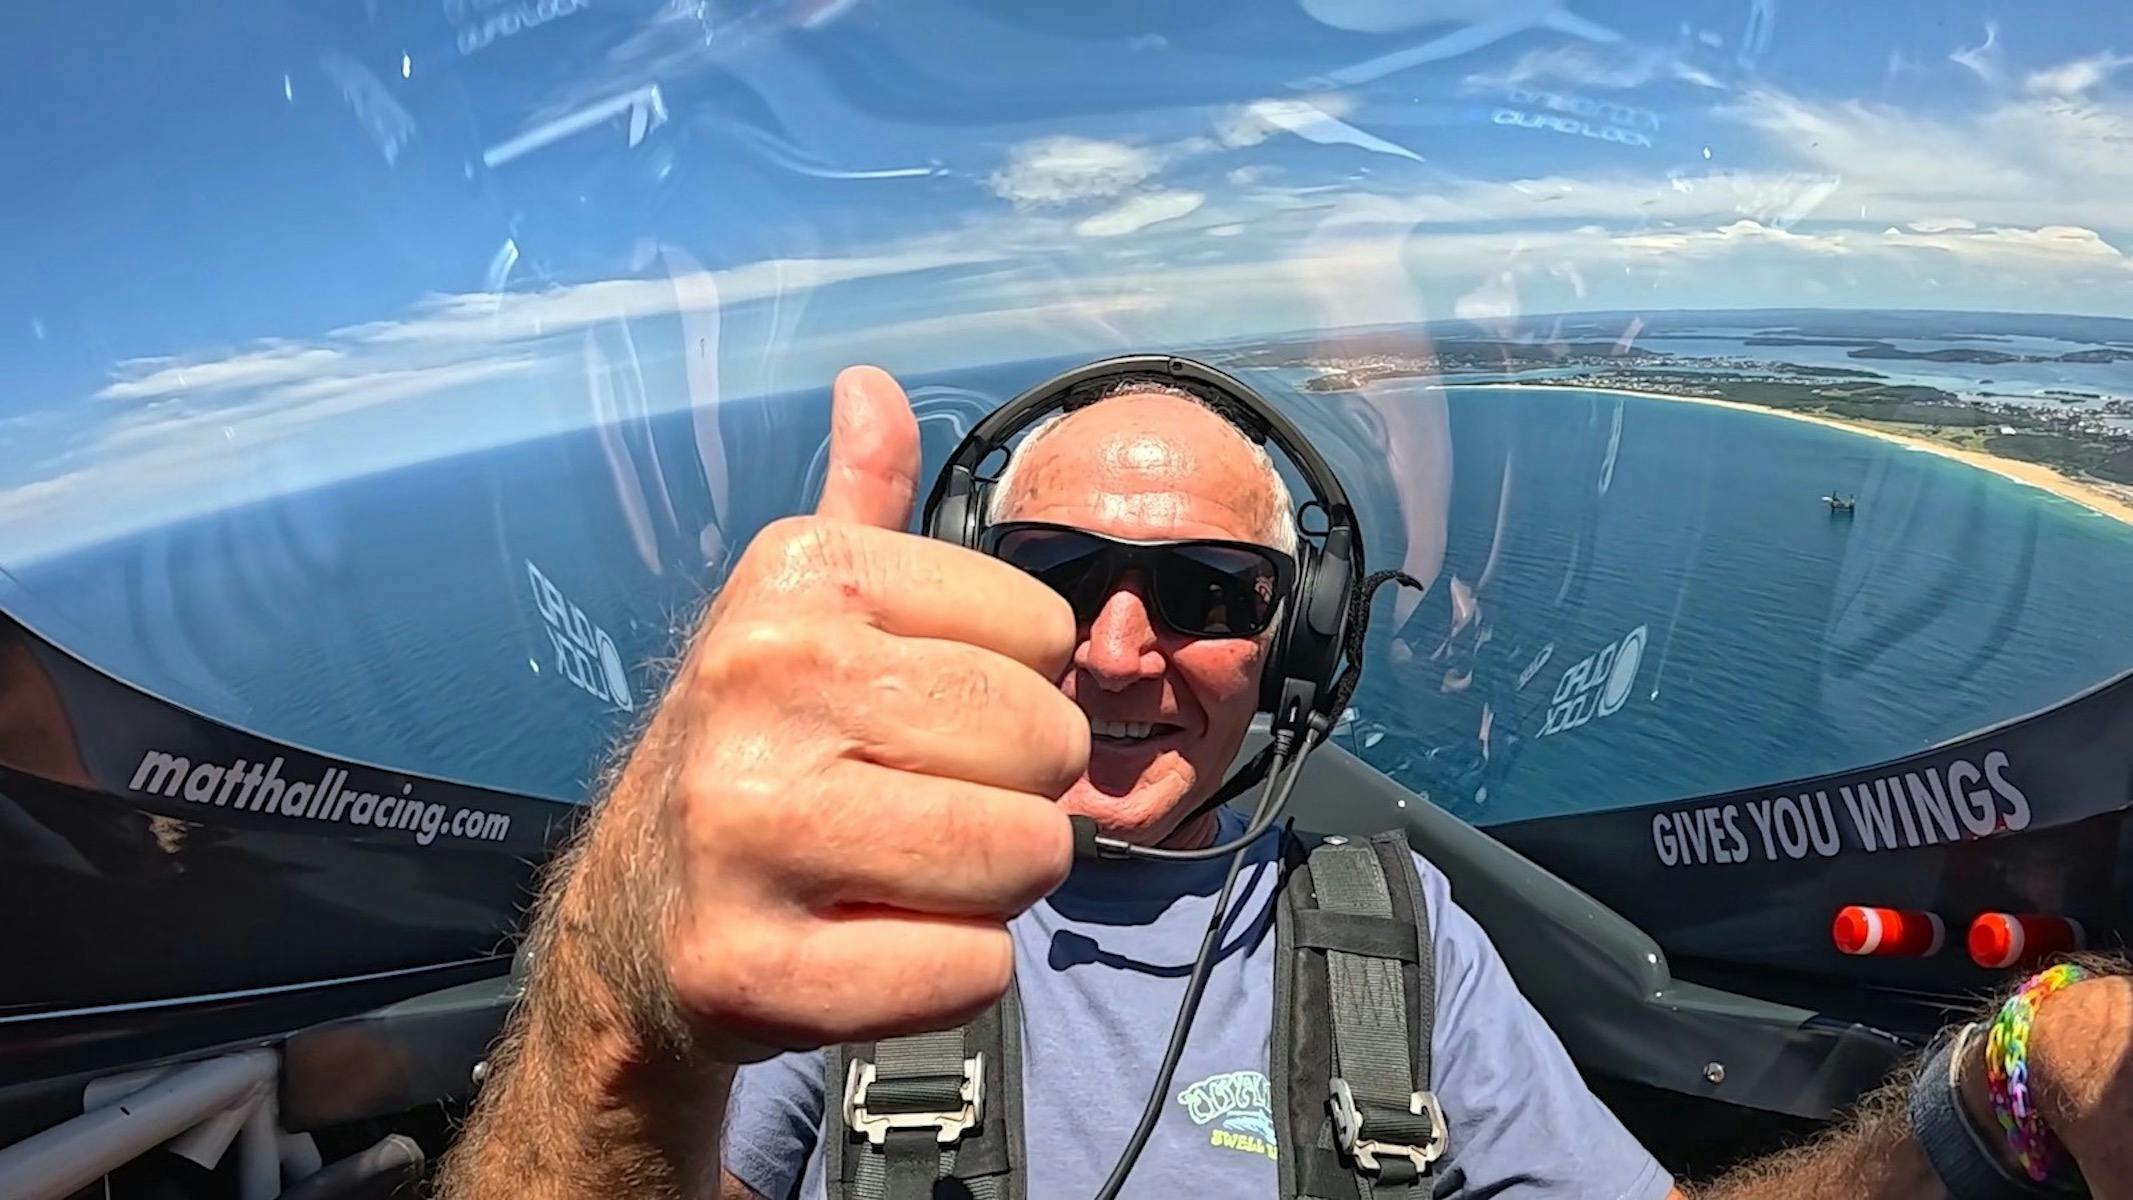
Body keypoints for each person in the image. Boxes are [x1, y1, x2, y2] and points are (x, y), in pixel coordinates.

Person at [436, 364, 2133, 1200]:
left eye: (1203, 594)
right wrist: (617, 1012)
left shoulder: (1397, 935)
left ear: (1297, 642)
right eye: (1049, 577)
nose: (1116, 651)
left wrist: (2008, 1089)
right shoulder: (839, 917)